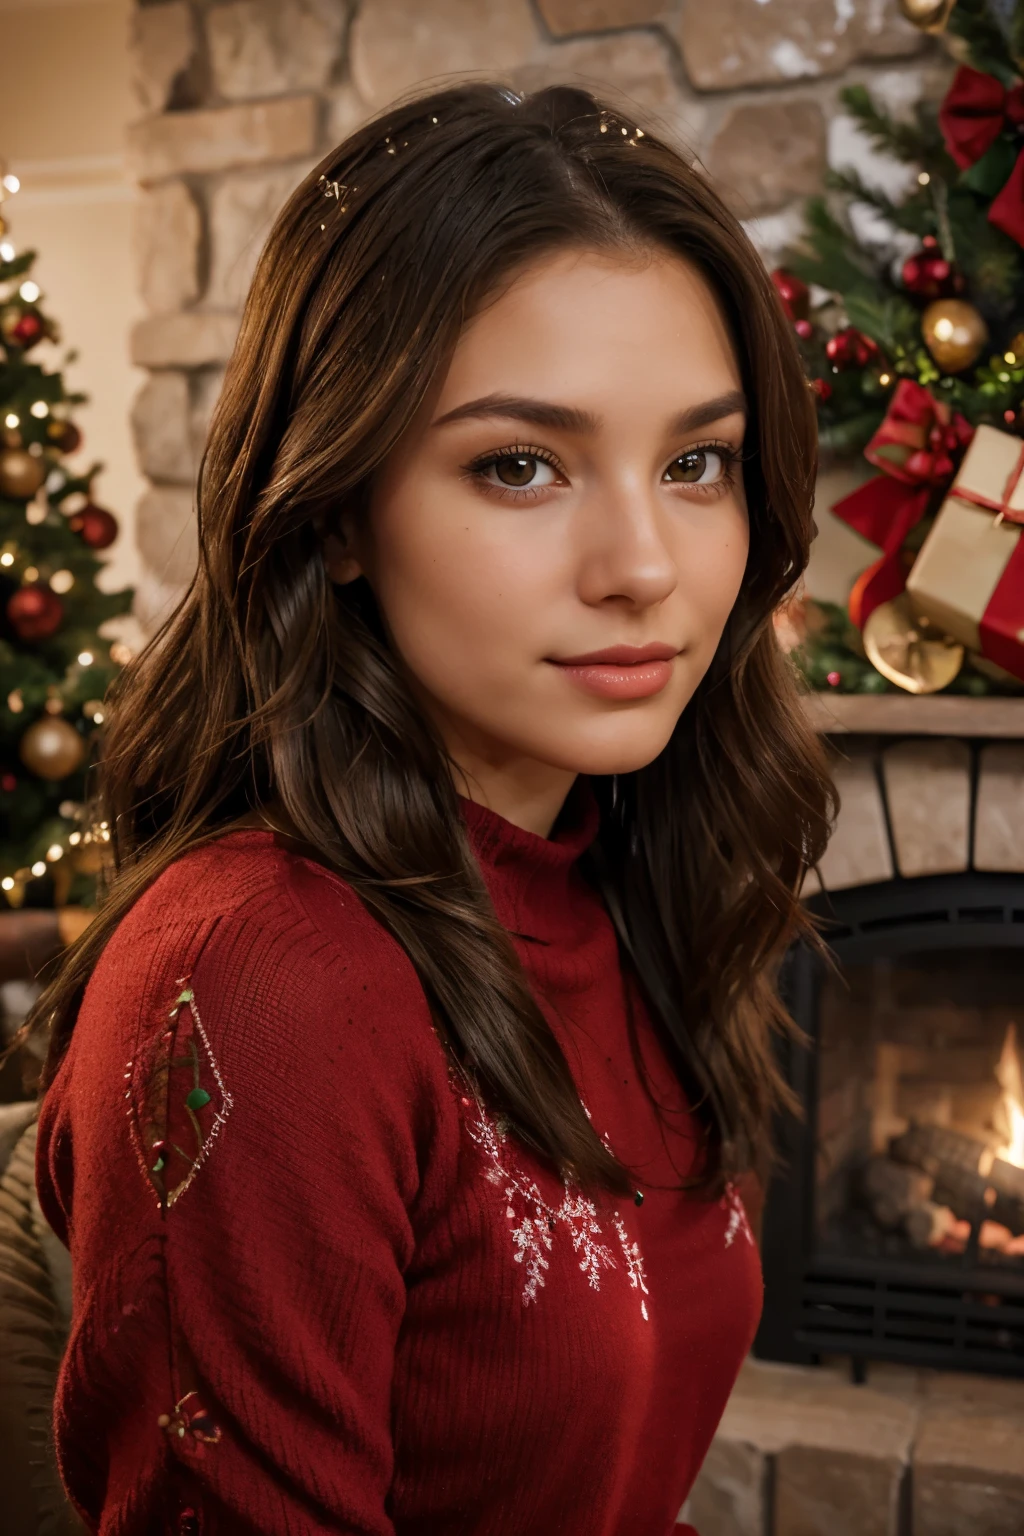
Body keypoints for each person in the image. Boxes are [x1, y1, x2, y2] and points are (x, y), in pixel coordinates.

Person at [30, 82, 833, 1536]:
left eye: (695, 462)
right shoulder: (261, 981)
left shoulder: (628, 867)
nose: (644, 564)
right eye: (519, 465)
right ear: (334, 510)